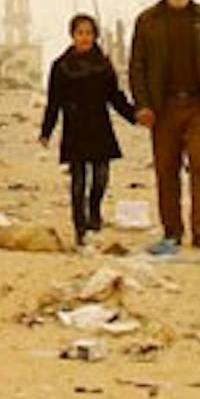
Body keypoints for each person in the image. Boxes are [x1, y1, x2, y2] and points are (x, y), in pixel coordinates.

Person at [126, 0, 200, 252]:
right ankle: (172, 230)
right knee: (166, 170)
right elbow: (138, 66)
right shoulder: (148, 22)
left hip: (198, 105)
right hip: (163, 108)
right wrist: (142, 105)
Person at [38, 13, 136, 246]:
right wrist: (46, 132)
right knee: (78, 180)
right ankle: (79, 227)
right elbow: (54, 102)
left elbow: (114, 96)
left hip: (99, 125)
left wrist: (134, 116)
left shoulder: (103, 64)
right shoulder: (61, 66)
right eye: (80, 33)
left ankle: (94, 211)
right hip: (75, 127)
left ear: (94, 36)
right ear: (72, 35)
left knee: (101, 177)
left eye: (89, 33)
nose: (84, 38)